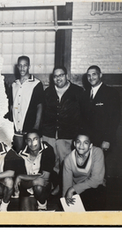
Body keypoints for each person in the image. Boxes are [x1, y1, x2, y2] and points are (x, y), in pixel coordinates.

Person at [41, 66, 83, 195]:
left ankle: (65, 188)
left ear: (66, 76)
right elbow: (43, 113)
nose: (58, 78)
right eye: (55, 76)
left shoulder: (78, 91)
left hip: (68, 134)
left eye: (61, 75)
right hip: (49, 134)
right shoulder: (48, 92)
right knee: (51, 162)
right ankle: (54, 185)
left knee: (66, 163)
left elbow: (83, 115)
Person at [80, 65, 120, 152]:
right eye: (88, 75)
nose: (91, 78)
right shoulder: (84, 94)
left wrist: (107, 139)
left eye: (94, 74)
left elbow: (114, 119)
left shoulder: (111, 93)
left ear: (100, 75)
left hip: (103, 141)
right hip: (89, 141)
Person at [62, 132, 106, 211]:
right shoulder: (68, 160)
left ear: (90, 145)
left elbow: (96, 180)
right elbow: (66, 186)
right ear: (74, 144)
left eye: (85, 143)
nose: (81, 146)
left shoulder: (97, 153)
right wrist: (65, 203)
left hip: (93, 187)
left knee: (98, 195)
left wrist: (72, 189)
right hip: (79, 190)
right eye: (78, 142)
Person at [9, 56, 44, 152]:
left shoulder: (36, 84)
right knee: (18, 154)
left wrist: (36, 126)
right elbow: (12, 106)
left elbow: (39, 106)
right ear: (17, 67)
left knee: (29, 154)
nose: (22, 68)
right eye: (20, 65)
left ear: (29, 66)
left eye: (25, 65)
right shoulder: (13, 84)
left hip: (29, 126)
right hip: (16, 127)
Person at [15, 130, 55, 211]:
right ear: (26, 142)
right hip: (27, 187)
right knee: (26, 218)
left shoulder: (48, 150)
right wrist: (33, 181)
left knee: (39, 187)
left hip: (43, 187)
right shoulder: (21, 154)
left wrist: (21, 176)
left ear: (41, 139)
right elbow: (21, 184)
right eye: (29, 140)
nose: (32, 143)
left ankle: (42, 204)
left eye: (35, 139)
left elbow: (45, 177)